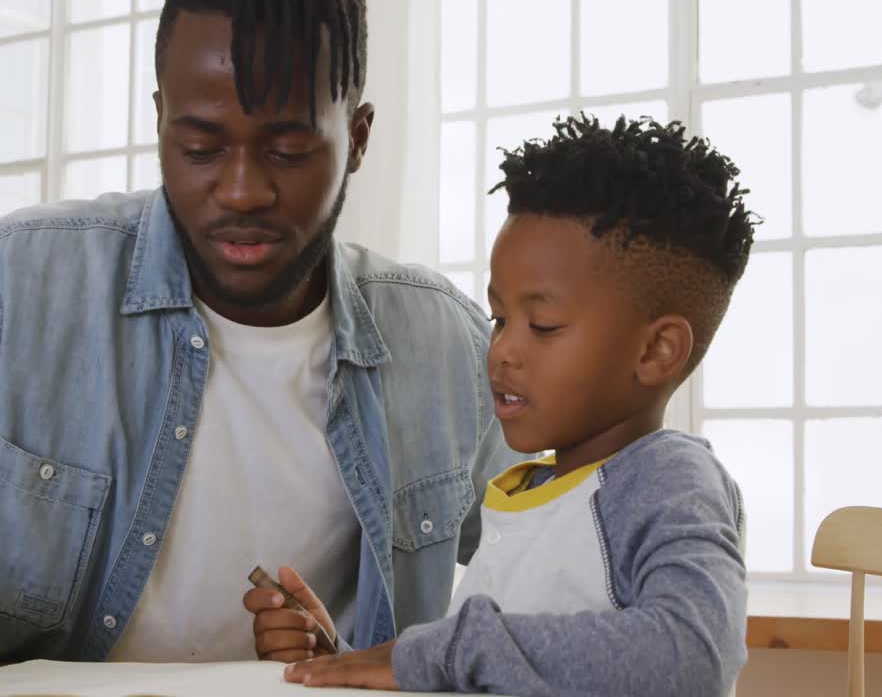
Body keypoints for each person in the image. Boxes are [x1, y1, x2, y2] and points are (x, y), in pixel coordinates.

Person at [0, 0, 517, 684]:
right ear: (161, 122)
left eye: (288, 150)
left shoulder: (447, 347)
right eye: (202, 147)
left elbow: (561, 577)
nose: (242, 190)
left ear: (357, 138)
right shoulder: (8, 287)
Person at [258, 115, 755, 696]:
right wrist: (348, 661)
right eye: (499, 318)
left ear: (656, 350)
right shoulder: (536, 488)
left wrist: (439, 652)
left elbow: (692, 655)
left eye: (543, 326)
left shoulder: (666, 481)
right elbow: (499, 673)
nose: (502, 351)